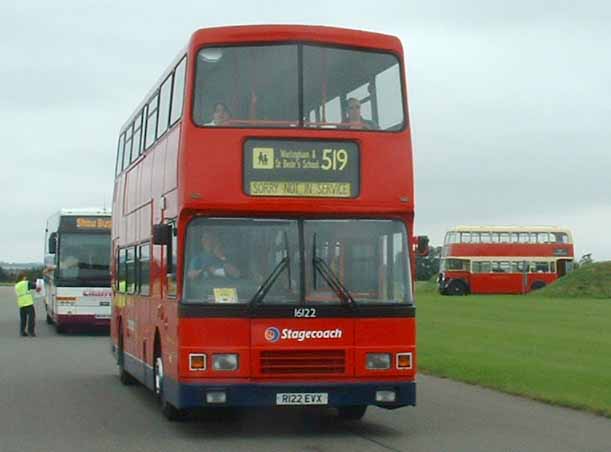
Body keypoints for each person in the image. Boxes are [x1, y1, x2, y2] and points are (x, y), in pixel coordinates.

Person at [14, 272, 38, 337]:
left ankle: (22, 332)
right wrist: (36, 282)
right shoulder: (26, 283)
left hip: (21, 304)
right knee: (31, 318)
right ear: (23, 277)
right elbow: (35, 286)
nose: (26, 278)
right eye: (25, 276)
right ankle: (31, 332)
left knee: (23, 319)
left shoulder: (16, 285)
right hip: (28, 303)